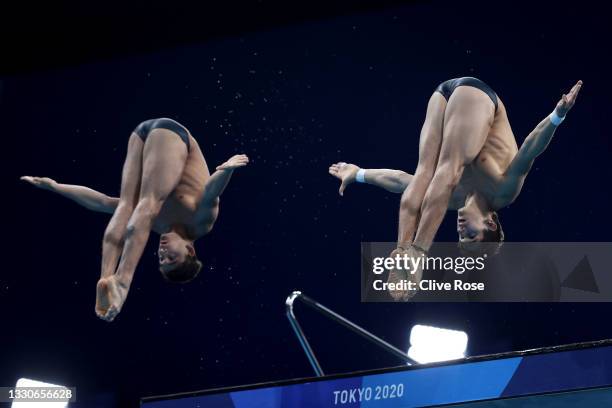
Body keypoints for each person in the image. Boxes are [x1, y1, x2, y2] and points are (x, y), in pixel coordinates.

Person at [330, 78, 582, 300]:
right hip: (477, 97)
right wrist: (557, 115)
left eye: (461, 237)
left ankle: (404, 250)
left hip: (441, 97)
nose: (461, 230)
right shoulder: (504, 191)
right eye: (471, 234)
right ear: (490, 224)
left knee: (422, 176)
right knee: (449, 168)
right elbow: (530, 149)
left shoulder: (448, 200)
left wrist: (359, 174)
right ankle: (417, 252)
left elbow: (399, 181)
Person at [22, 118, 249, 320]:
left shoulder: (154, 225)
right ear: (190, 251)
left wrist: (56, 187)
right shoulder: (200, 224)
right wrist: (226, 169)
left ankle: (107, 278)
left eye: (161, 259)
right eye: (171, 257)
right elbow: (211, 192)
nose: (162, 252)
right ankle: (122, 282)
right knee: (148, 203)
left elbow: (101, 202)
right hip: (172, 135)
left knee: (124, 207)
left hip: (139, 136)